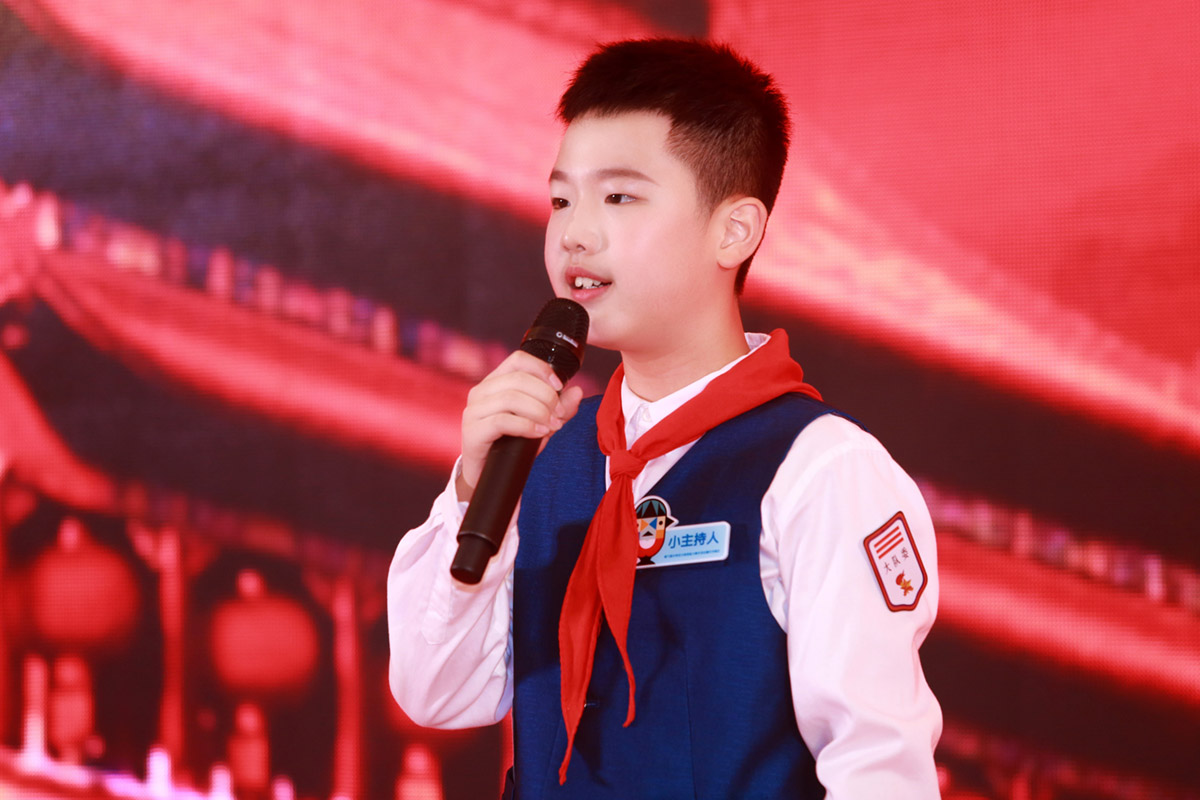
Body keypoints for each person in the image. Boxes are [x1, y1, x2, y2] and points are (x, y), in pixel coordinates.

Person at [388, 38, 942, 798]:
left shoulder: (819, 470)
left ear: (734, 231)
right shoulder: (545, 454)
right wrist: (472, 492)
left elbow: (878, 771)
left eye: (619, 198)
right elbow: (437, 695)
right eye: (561, 200)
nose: (575, 233)